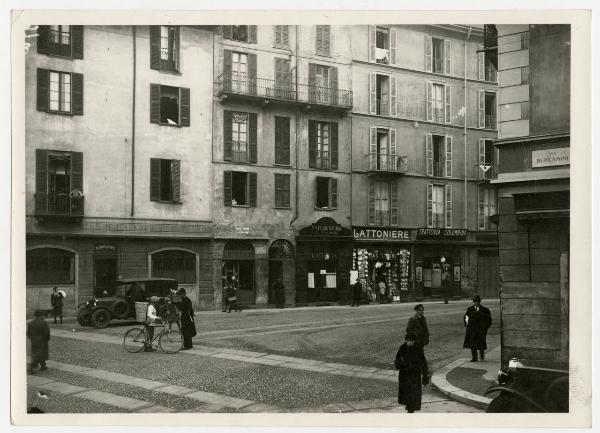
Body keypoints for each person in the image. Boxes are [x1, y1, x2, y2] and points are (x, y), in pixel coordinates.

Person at [395, 333, 430, 413]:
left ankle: (410, 411)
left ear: (414, 341)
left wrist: (425, 376)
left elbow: (423, 363)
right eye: (407, 341)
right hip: (405, 376)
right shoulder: (402, 348)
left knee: (413, 397)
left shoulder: (418, 349)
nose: (409, 342)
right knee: (407, 396)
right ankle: (410, 409)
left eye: (411, 341)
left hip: (415, 376)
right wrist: (402, 363)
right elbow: (397, 361)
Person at [463, 295, 492, 361]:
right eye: (475, 301)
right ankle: (474, 357)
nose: (476, 303)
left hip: (481, 330)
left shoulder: (485, 310)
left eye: (477, 301)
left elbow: (489, 320)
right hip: (472, 330)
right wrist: (467, 325)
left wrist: (485, 328)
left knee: (481, 343)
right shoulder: (470, 309)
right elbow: (466, 317)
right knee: (472, 344)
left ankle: (481, 354)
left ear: (479, 302)